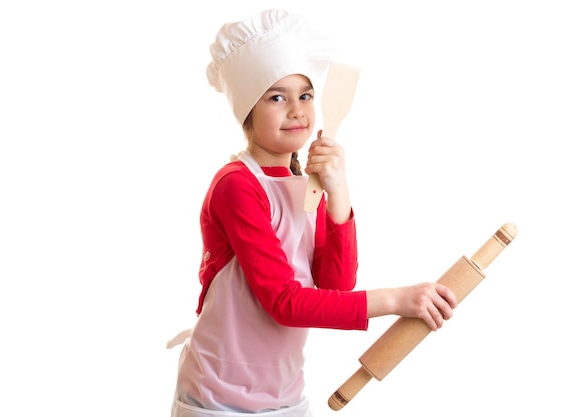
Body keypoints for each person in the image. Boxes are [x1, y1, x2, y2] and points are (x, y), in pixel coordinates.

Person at [168, 9, 457, 417]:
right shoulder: (236, 185)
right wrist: (396, 299)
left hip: (284, 393)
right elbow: (284, 302)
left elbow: (333, 288)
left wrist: (338, 191)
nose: (297, 110)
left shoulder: (309, 186)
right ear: (248, 111)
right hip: (220, 394)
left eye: (304, 95)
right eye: (276, 97)